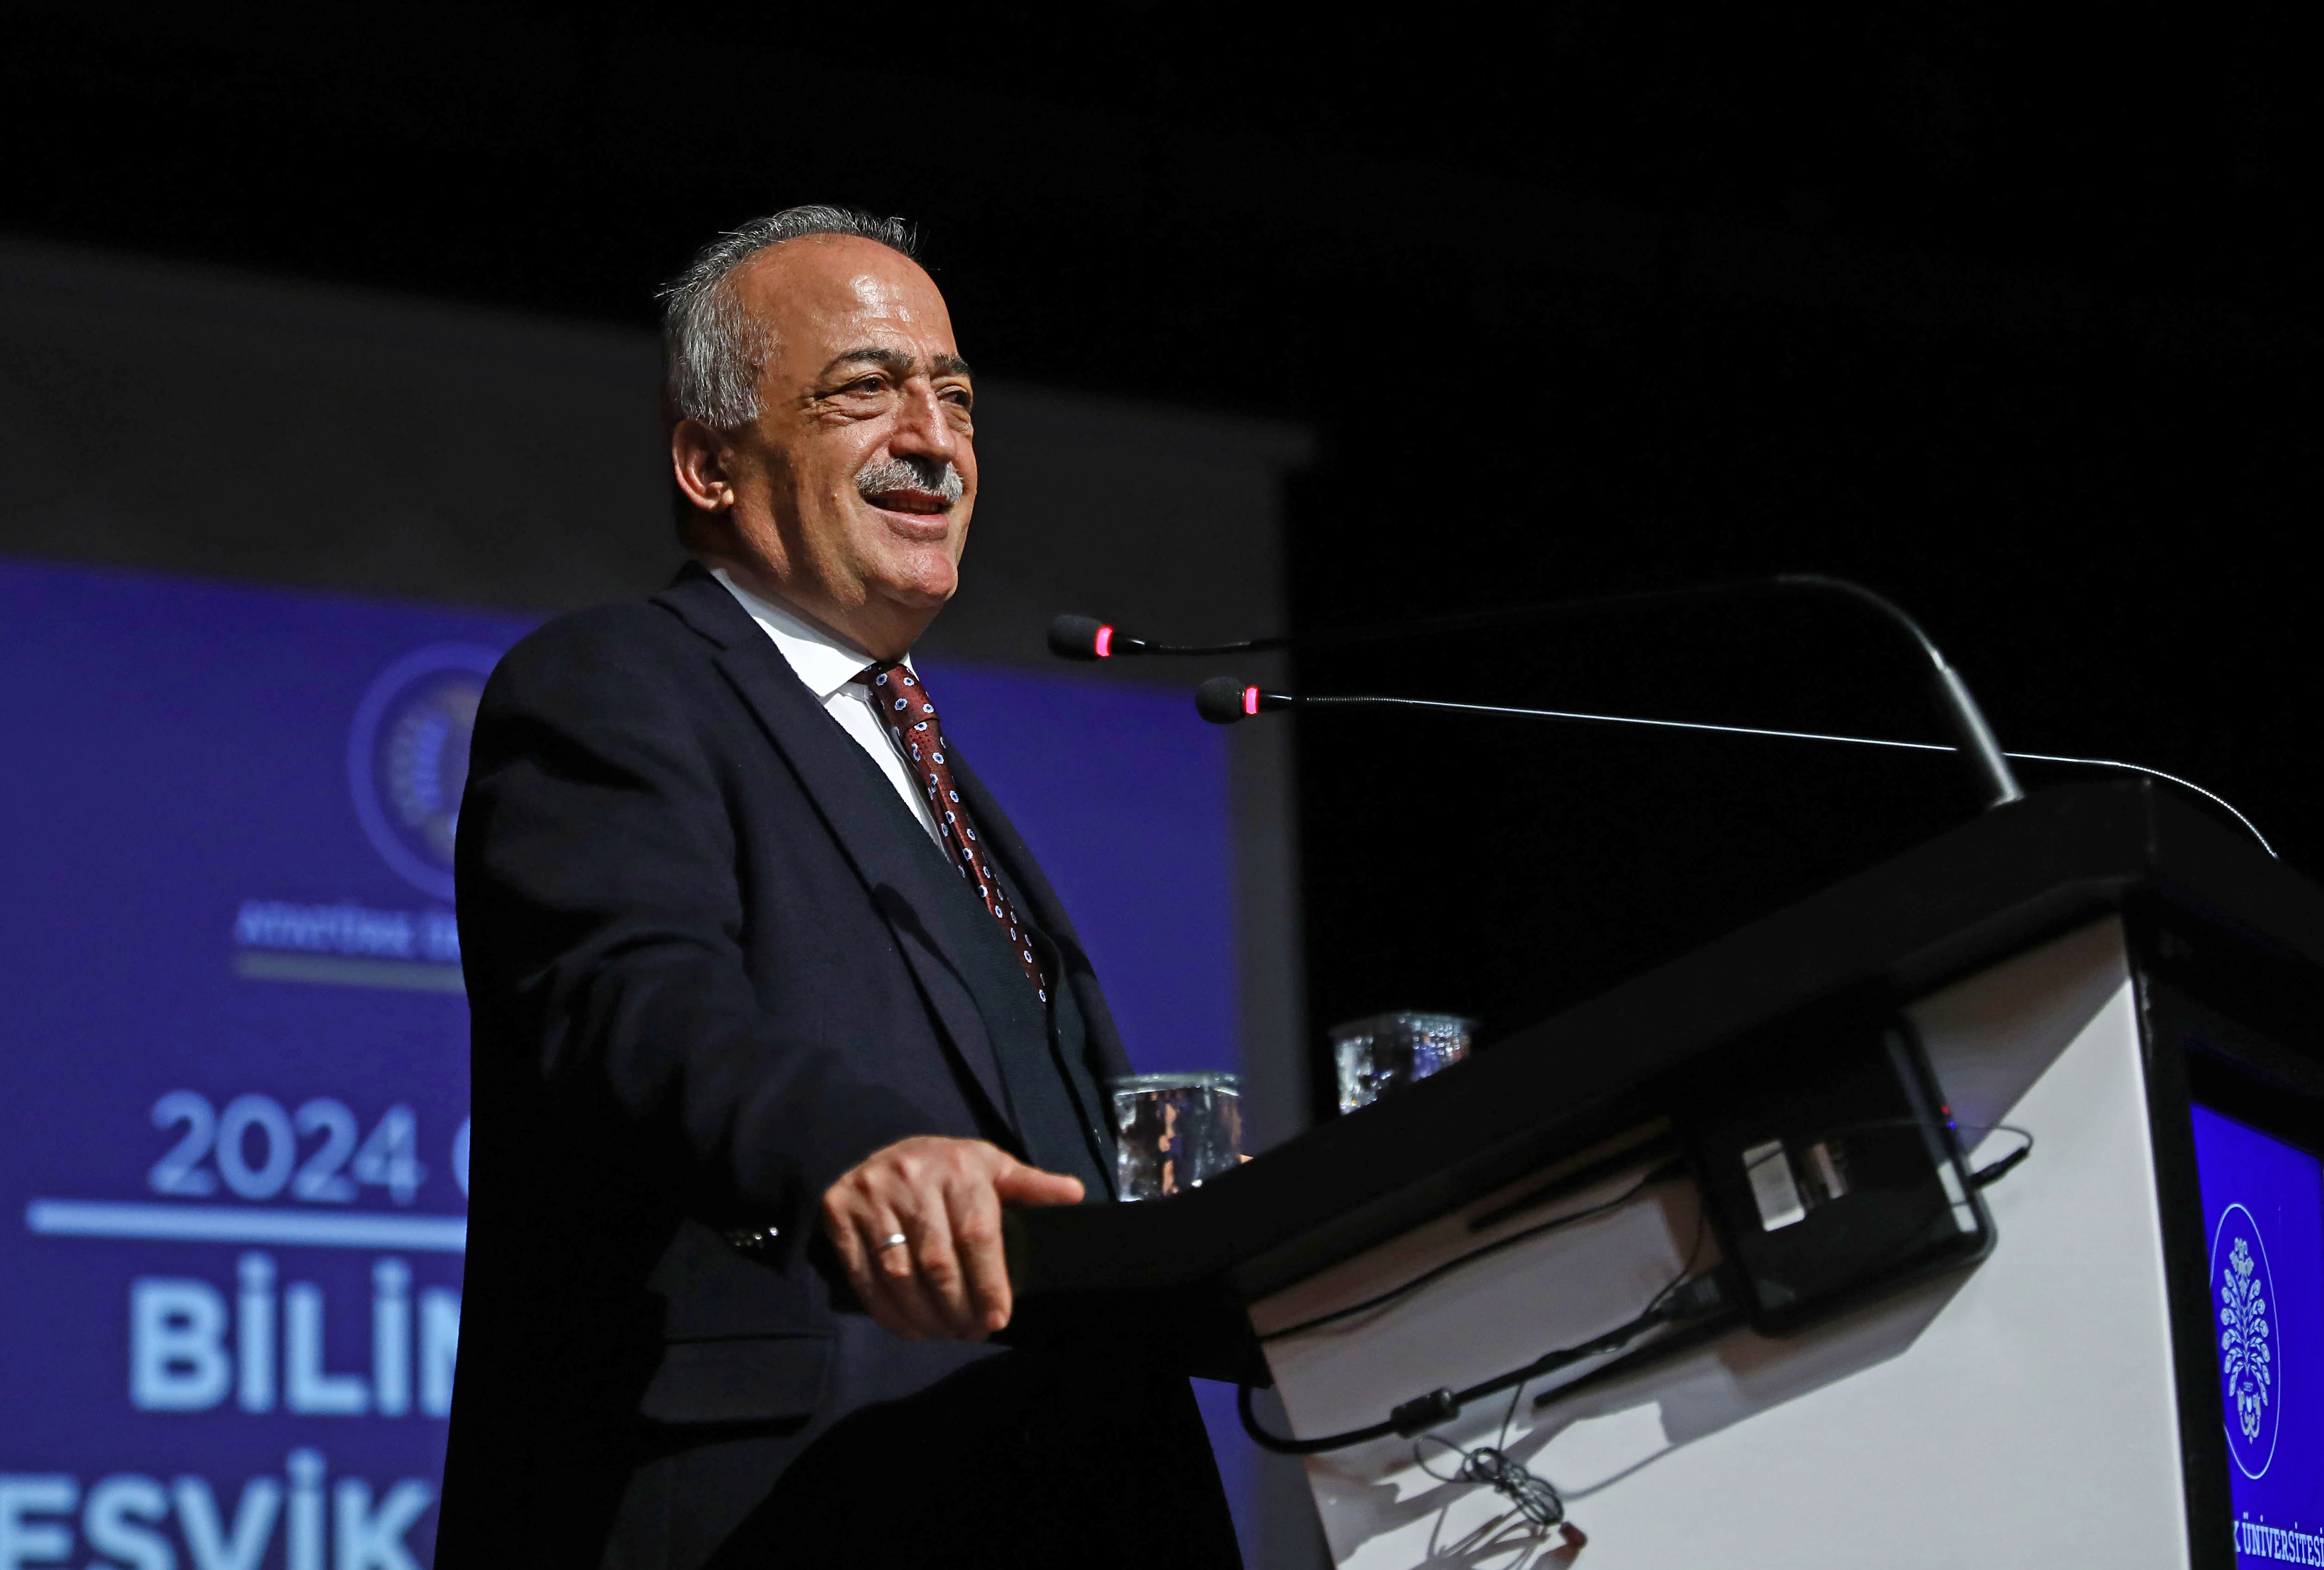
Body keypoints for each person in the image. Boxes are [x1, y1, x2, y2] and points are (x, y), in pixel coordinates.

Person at [434, 207, 1241, 1568]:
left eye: (957, 398)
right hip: (783, 1520)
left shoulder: (934, 771)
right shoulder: (615, 684)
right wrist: (847, 1152)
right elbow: (636, 996)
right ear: (710, 464)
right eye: (867, 390)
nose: (935, 439)